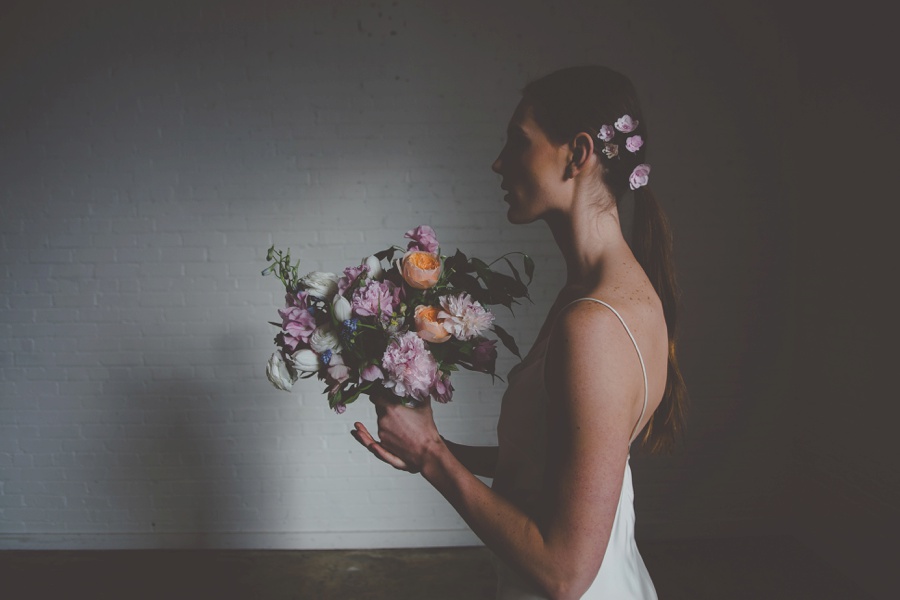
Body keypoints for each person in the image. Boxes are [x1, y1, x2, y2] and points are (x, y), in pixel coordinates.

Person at [352, 65, 687, 600]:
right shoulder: (597, 295)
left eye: (517, 141)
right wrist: (433, 445)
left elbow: (564, 573)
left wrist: (433, 458)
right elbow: (554, 456)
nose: (498, 163)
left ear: (578, 154)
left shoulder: (594, 324)